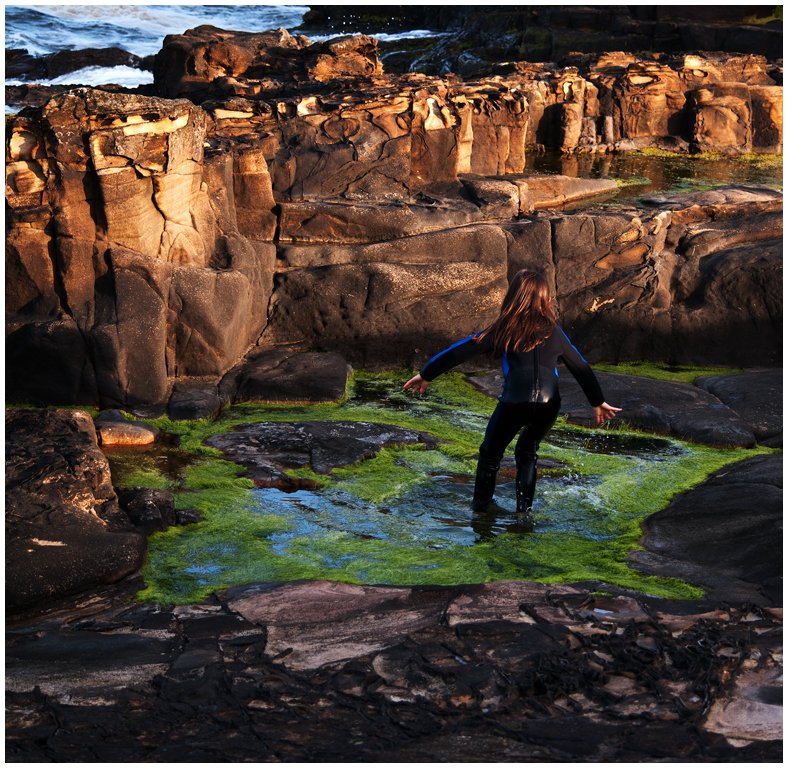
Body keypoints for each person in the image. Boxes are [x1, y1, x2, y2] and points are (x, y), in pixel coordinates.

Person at [403, 270, 621, 530]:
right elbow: (580, 366)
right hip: (549, 404)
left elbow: (462, 349)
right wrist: (597, 401)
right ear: (545, 299)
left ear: (513, 297)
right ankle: (523, 513)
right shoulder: (554, 331)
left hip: (514, 401)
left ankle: (481, 512)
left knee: (490, 455)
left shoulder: (504, 328)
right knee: (527, 453)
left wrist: (426, 374)